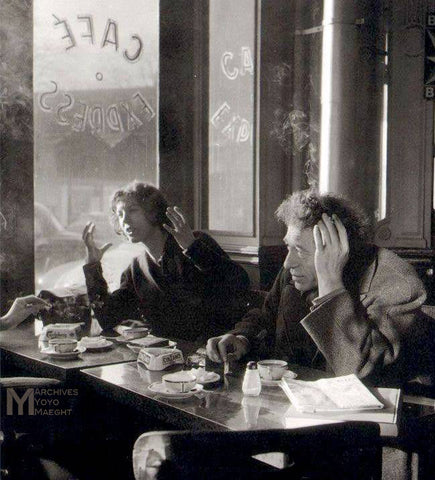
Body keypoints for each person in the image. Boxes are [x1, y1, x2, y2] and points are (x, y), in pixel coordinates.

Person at [207, 190, 432, 388]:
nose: (287, 263)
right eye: (288, 246)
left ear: (338, 249)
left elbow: (365, 376)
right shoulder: (295, 271)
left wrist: (331, 286)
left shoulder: (397, 283)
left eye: (301, 250)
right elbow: (266, 316)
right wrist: (242, 338)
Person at [82, 181, 250, 341]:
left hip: (212, 352)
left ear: (153, 212)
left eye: (132, 210)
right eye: (120, 214)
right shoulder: (136, 269)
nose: (124, 221)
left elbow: (239, 282)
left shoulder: (194, 242)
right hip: (163, 359)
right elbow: (107, 318)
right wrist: (92, 267)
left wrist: (192, 247)